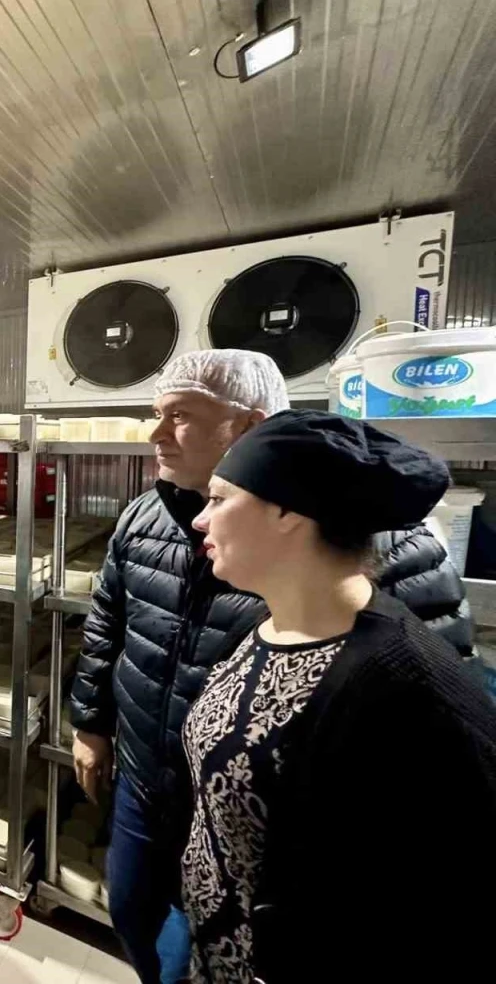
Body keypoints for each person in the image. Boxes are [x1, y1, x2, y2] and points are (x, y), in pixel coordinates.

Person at [68, 350, 471, 984]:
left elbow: (430, 736)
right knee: (137, 916)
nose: (155, 434)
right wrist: (91, 722)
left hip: (265, 824)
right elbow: (107, 621)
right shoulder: (147, 516)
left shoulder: (374, 548)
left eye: (180, 416)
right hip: (148, 781)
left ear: (250, 426)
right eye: (156, 414)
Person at [182, 410, 496, 983]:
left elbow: (453, 902)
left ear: (288, 511)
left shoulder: (408, 686)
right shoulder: (262, 626)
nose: (201, 518)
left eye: (220, 499)